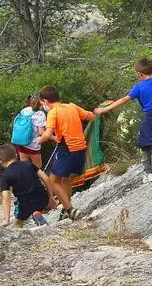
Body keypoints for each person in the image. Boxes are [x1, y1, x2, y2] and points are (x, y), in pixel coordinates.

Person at [95, 57, 152, 184]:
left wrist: (105, 109)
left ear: (140, 74)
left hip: (150, 117)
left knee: (145, 144)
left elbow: (124, 100)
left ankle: (148, 173)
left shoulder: (139, 87)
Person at [35, 86, 95, 220]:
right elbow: (91, 116)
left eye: (42, 104)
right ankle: (66, 207)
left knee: (53, 180)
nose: (43, 106)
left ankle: (70, 210)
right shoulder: (72, 106)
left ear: (45, 101)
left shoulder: (53, 112)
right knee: (66, 178)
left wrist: (39, 140)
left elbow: (48, 133)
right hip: (80, 148)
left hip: (67, 148)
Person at [0, 144, 50, 228]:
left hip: (25, 204)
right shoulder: (28, 164)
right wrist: (51, 197)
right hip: (43, 198)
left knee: (18, 221)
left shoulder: (6, 175)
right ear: (16, 155)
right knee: (38, 206)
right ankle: (37, 213)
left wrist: (7, 220)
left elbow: (6, 197)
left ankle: (19, 233)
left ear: (0, 161)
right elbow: (46, 178)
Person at [12, 94, 48, 168]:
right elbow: (41, 132)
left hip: (20, 143)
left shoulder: (24, 110)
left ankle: (26, 179)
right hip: (33, 145)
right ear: (41, 103)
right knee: (37, 167)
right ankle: (36, 179)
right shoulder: (40, 114)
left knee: (25, 167)